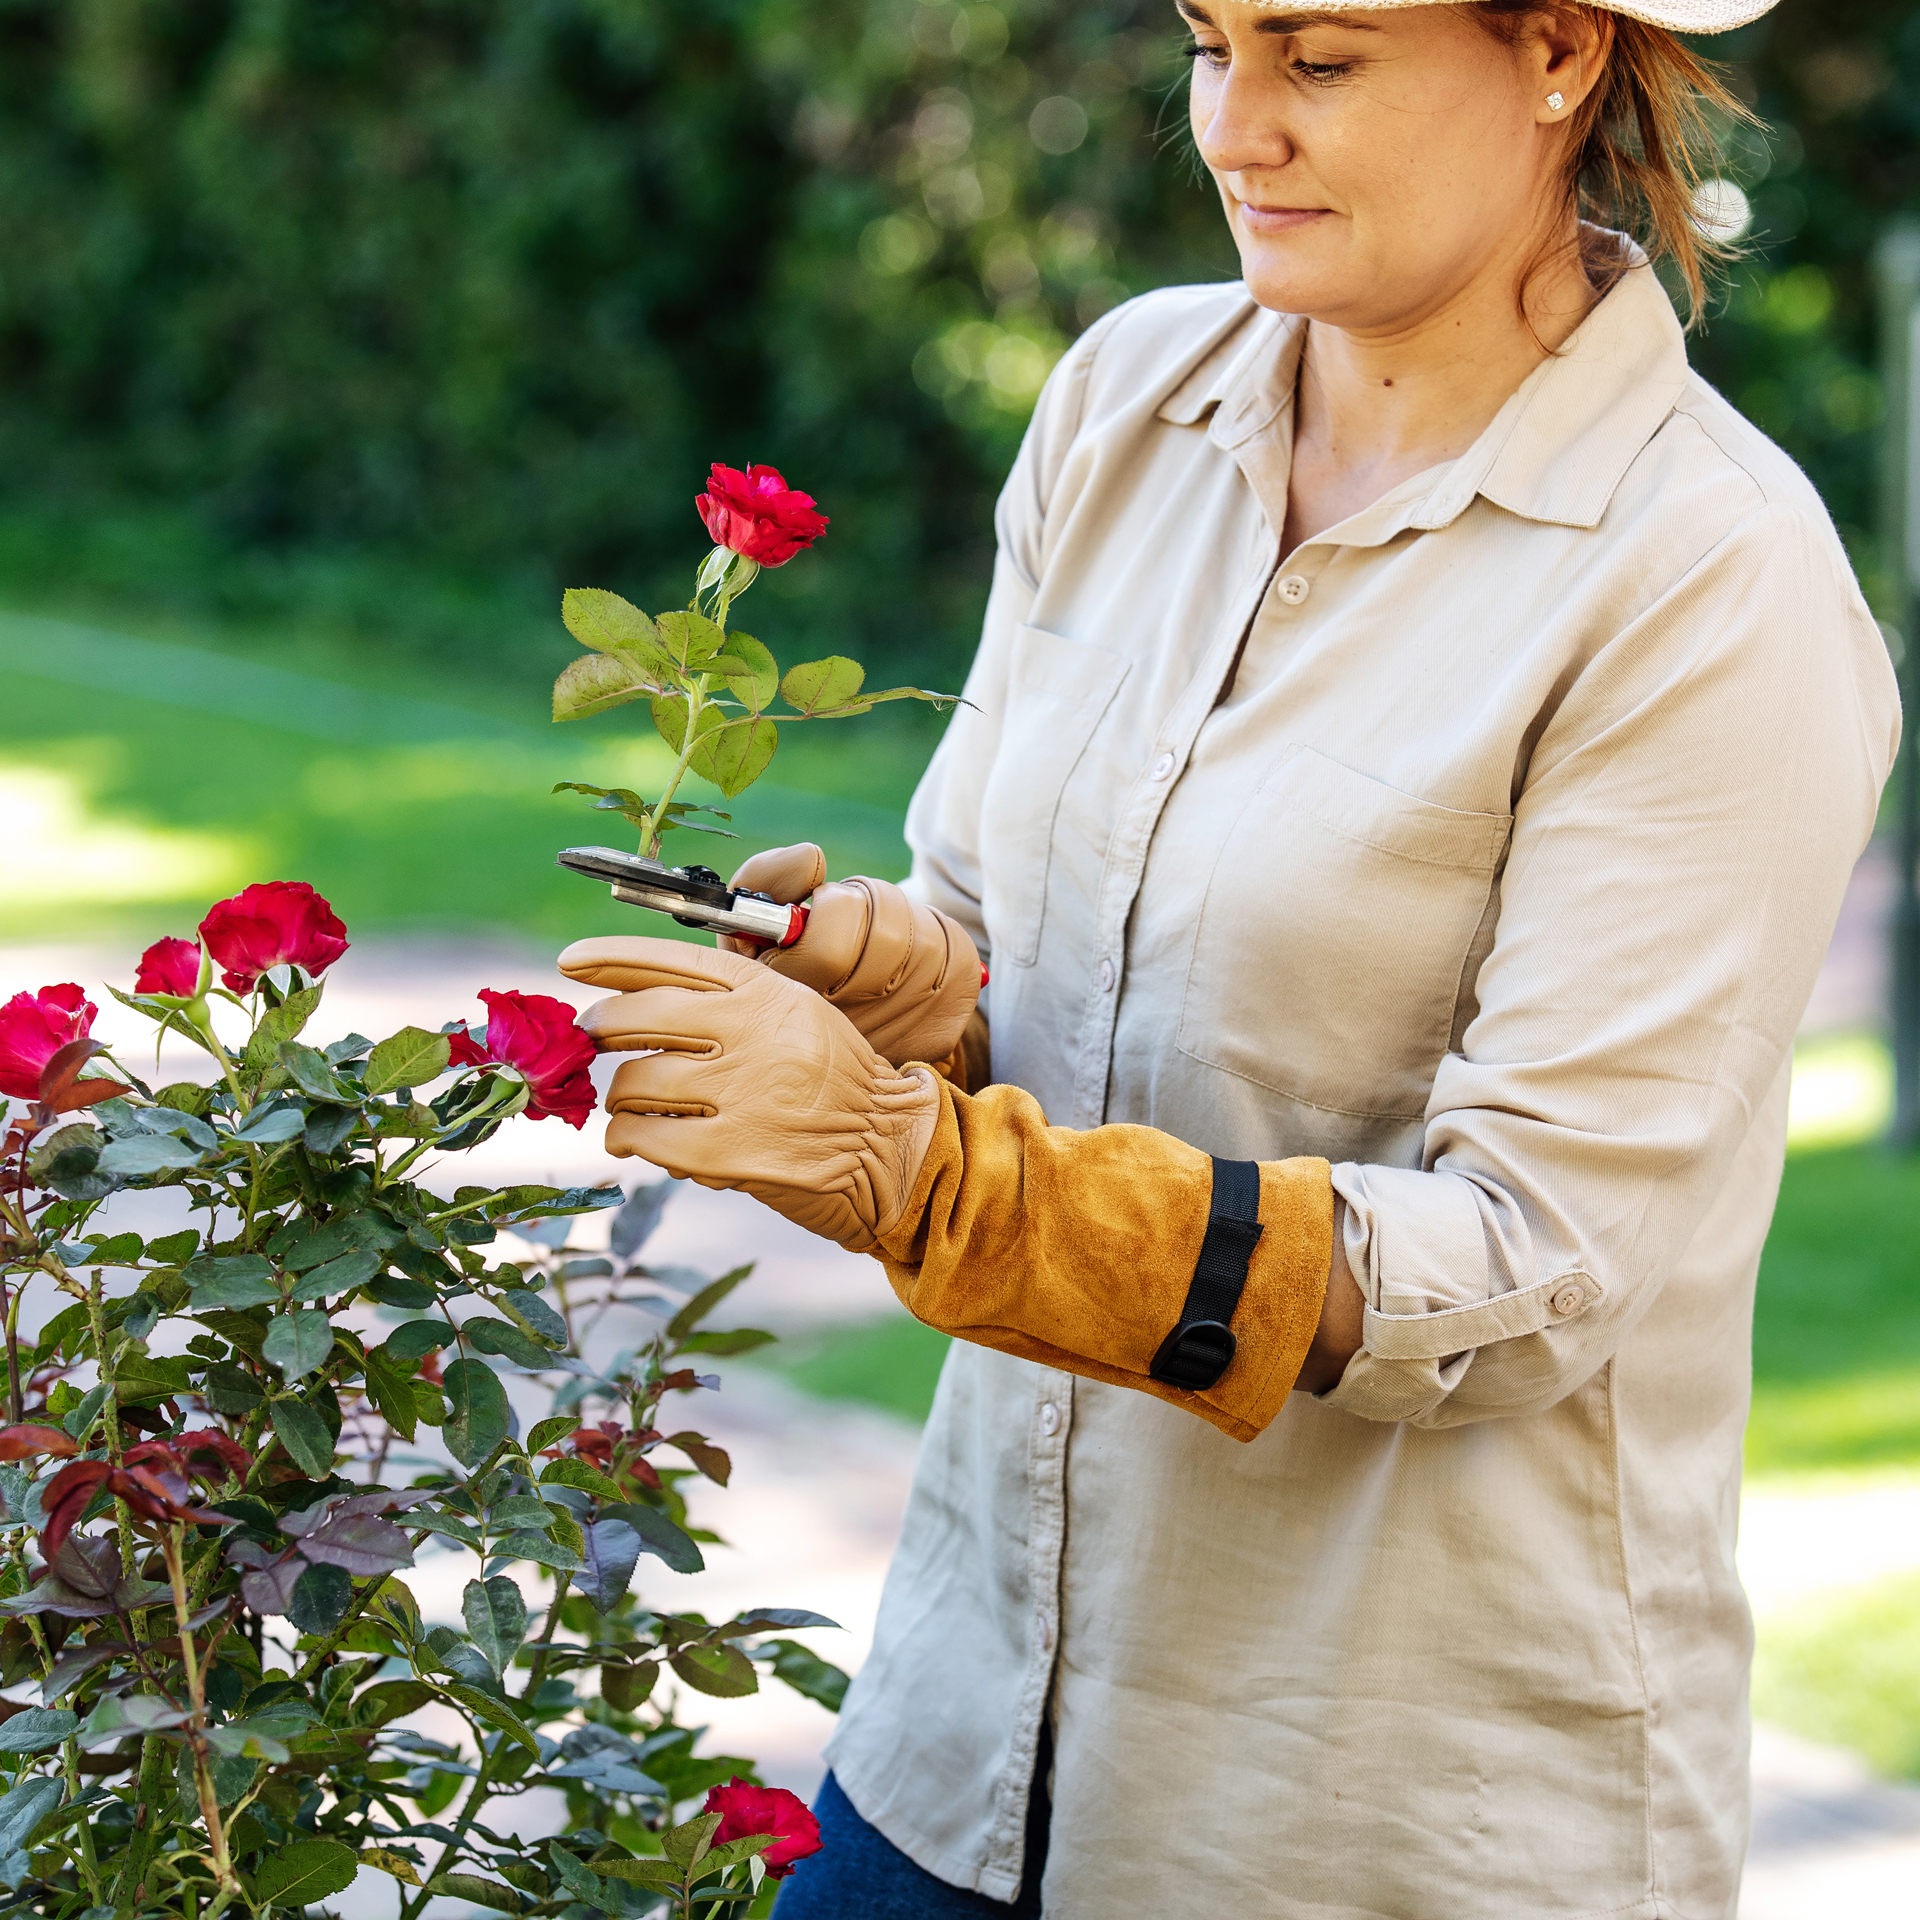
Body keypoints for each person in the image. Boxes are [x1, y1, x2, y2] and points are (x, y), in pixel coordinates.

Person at [557, 0, 1901, 1911]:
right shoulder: (1126, 401)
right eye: (1208, 42)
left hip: (1365, 1824)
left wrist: (917, 1176)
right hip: (956, 1746)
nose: (1234, 127)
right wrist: (896, 985)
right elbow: (1003, 947)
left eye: (1319, 56)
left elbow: (1529, 1274)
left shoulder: (1709, 577)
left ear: (1557, 54)